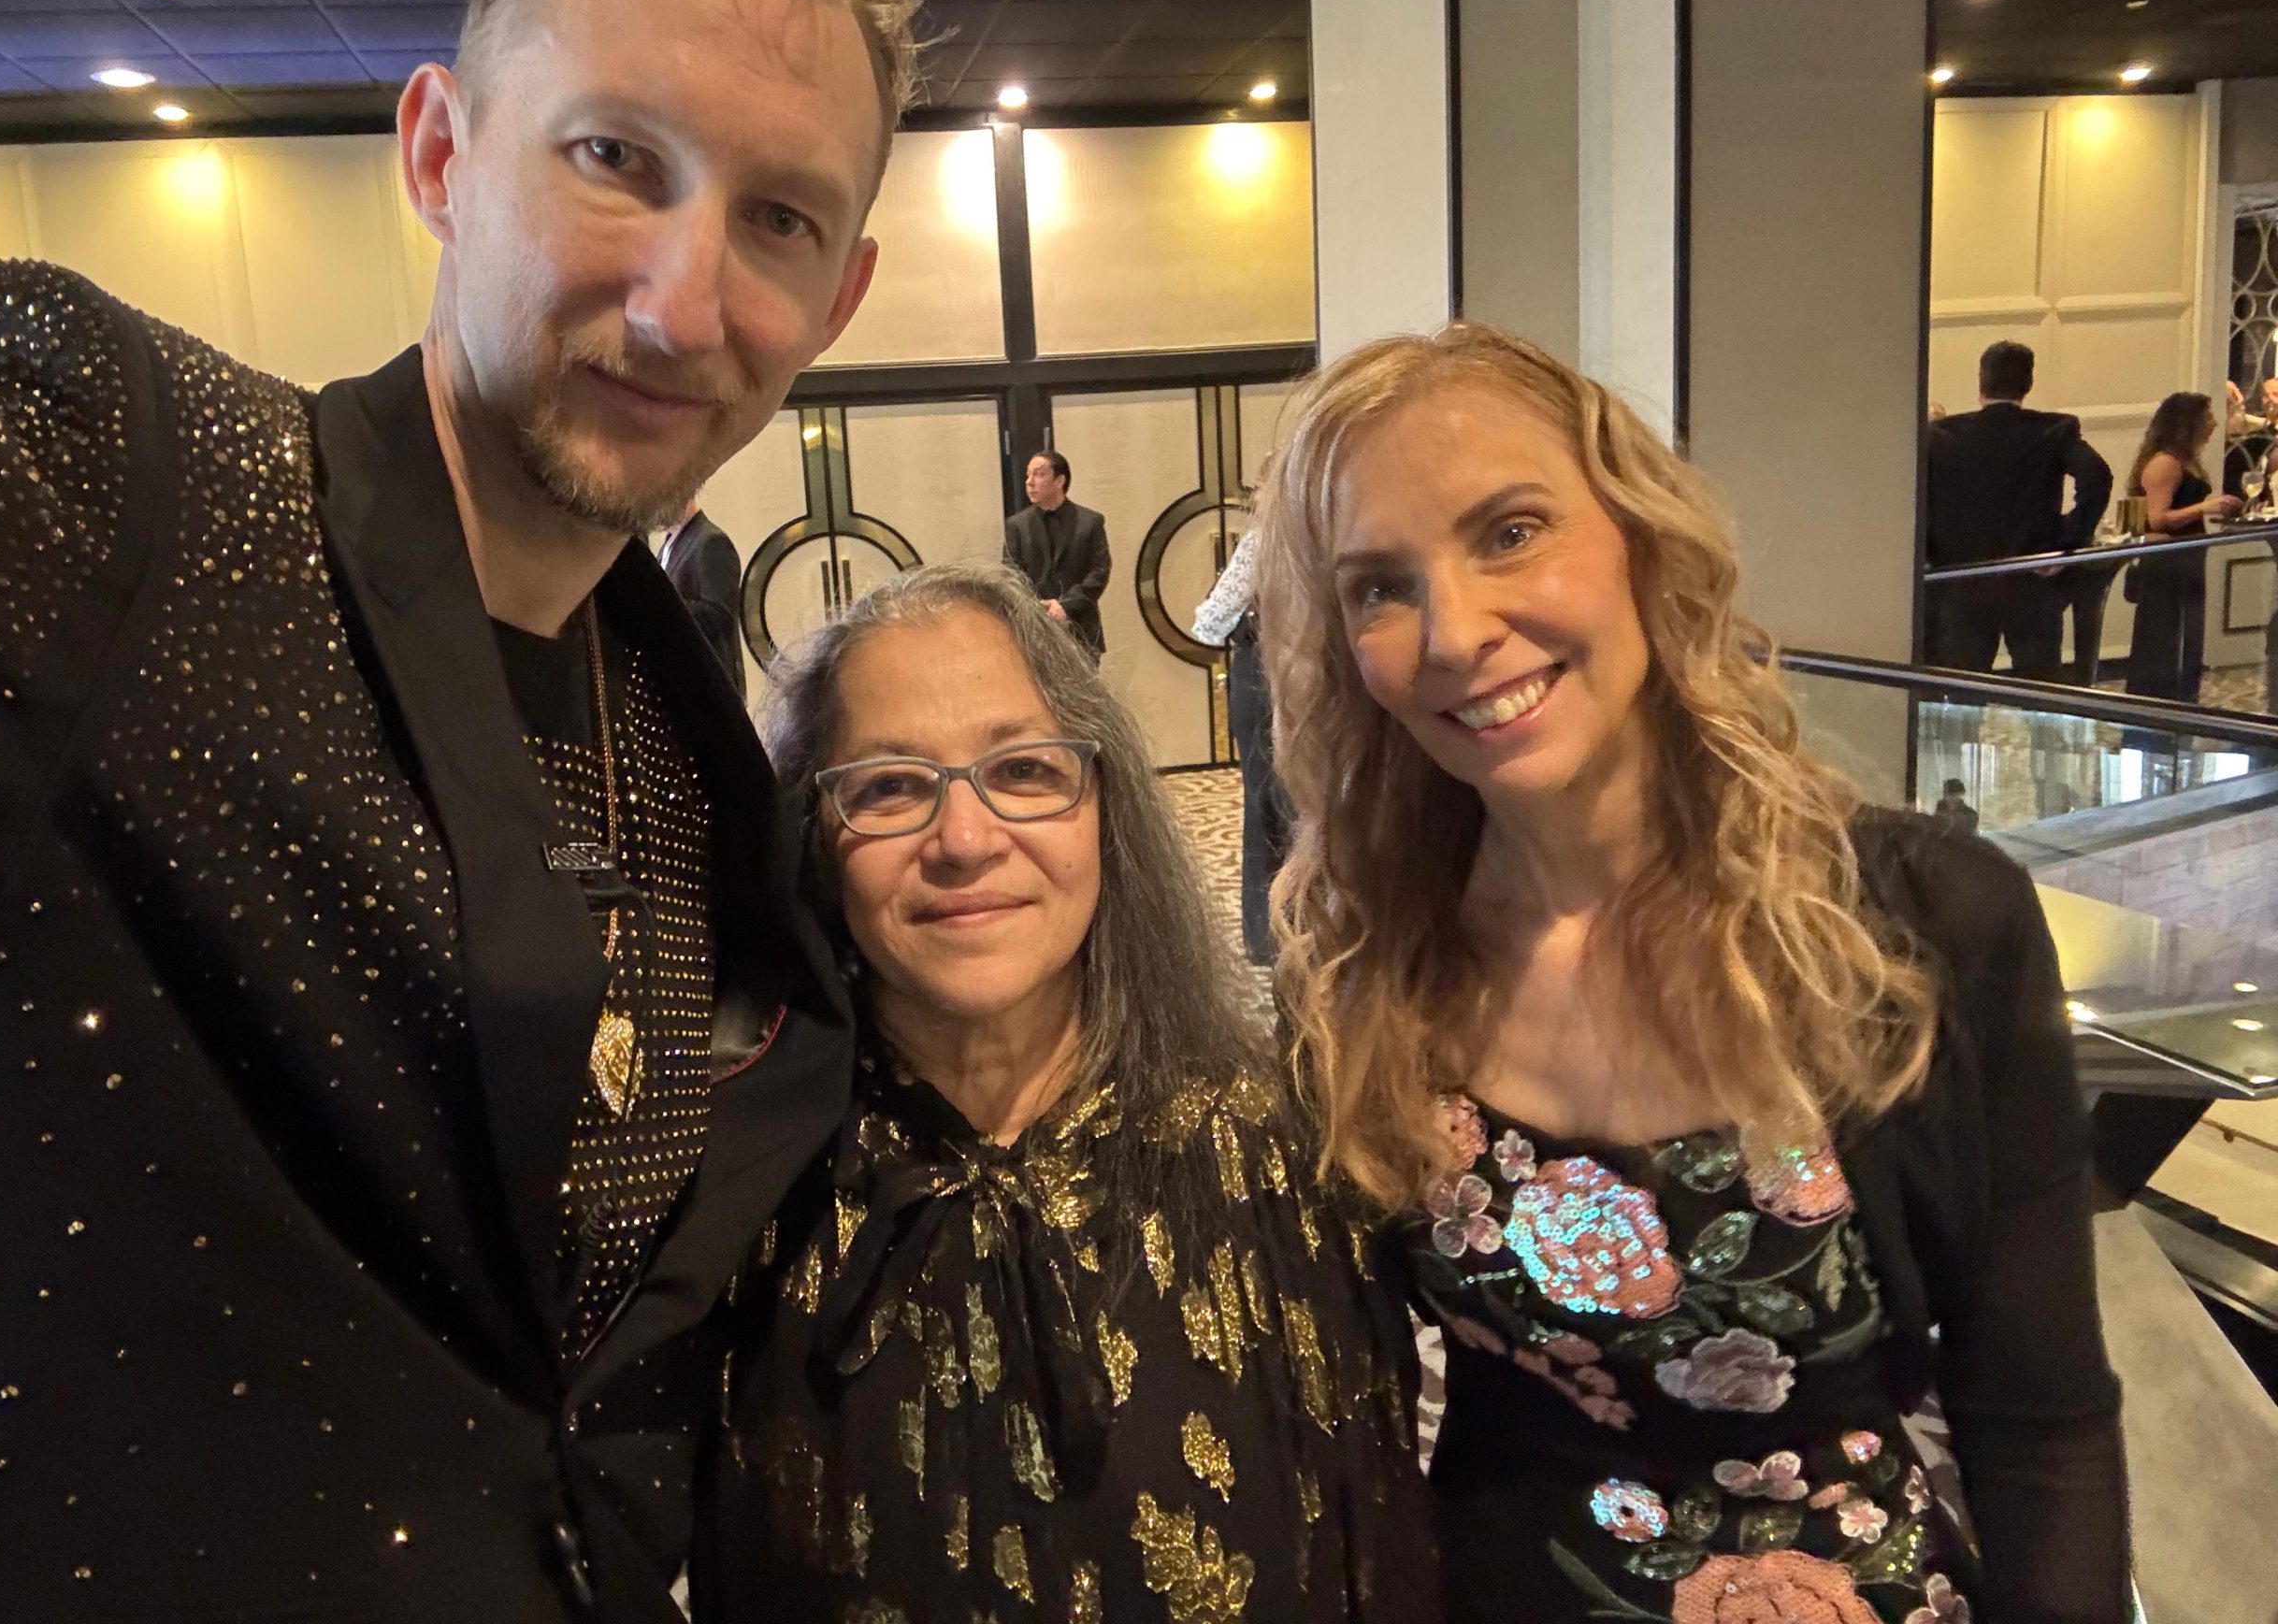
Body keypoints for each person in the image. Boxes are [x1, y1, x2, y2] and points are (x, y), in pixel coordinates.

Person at [0, 0, 920, 1619]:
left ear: (839, 296)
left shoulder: (686, 760)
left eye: (778, 220)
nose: (683, 305)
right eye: (615, 158)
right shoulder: (105, 488)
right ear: (441, 155)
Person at [1255, 323, 2127, 1623]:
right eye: (1380, 587)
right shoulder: (1367, 970)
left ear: (1640, 536)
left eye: (1510, 533)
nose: (1454, 631)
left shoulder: (1920, 924)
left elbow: (2041, 1428)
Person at [695, 562, 1440, 1623]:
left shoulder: (1278, 1166)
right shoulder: (744, 1197)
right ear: (814, 834)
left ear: (1103, 808)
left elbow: (1372, 1549)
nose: (964, 840)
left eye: (1024, 770)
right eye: (890, 786)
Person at [1924, 339, 2111, 677]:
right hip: (2030, 577)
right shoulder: (2053, 430)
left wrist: (1933, 551)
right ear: (2028, 383)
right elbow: (2097, 478)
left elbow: (1917, 498)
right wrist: (2066, 540)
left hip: (1963, 579)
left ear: (1981, 381)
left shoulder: (1941, 436)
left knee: (1962, 687)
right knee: (2038, 686)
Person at [1191, 519, 1291, 965]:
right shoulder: (1340, 526)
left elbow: (1210, 623)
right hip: (1321, 681)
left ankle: (1268, 935)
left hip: (1265, 678)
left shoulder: (1266, 538)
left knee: (1266, 804)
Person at [2123, 391, 2239, 702]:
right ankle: (2160, 704)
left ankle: (2183, 702)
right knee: (2165, 641)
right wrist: (2205, 507)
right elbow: (2157, 518)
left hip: (2185, 560)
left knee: (2187, 640)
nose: (2214, 423)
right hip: (2167, 564)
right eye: (2207, 417)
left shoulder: (2186, 461)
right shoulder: (2166, 463)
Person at [1004, 450, 1113, 663]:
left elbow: (1099, 572)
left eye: (1039, 474)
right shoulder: (1017, 525)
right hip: (1033, 628)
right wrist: (1038, 607)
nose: (1030, 482)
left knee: (1083, 684)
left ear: (1059, 480)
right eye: (1028, 475)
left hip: (1079, 627)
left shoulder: (1090, 522)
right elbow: (1010, 572)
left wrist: (1065, 606)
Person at [661, 497, 748, 694]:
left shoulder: (711, 541)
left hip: (706, 684)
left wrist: (661, 604)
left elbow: (721, 614)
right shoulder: (670, 543)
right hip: (683, 680)